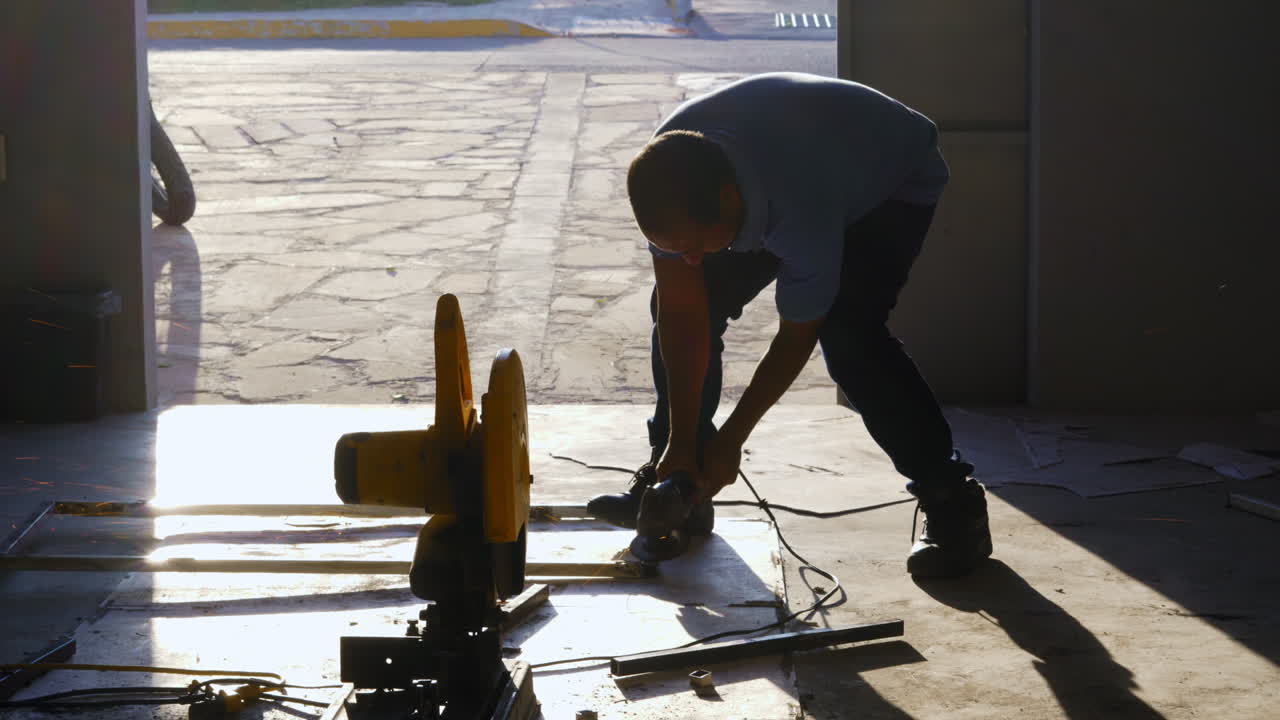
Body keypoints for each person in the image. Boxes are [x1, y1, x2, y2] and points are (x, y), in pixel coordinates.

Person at [586, 72, 991, 578]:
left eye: (692, 245)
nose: (686, 258)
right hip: (789, 161)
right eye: (674, 248)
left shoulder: (800, 206)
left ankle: (953, 501)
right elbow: (683, 315)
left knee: (849, 333)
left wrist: (732, 440)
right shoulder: (669, 176)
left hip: (890, 180)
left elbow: (797, 334)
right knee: (688, 300)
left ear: (730, 202)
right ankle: (676, 482)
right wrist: (680, 442)